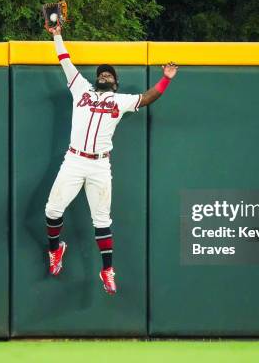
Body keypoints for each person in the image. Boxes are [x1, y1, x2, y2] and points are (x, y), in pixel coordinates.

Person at [44, 23, 178, 294]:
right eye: (101, 72)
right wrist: (57, 34)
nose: (104, 74)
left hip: (99, 165)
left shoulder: (120, 100)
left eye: (109, 73)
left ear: (115, 83)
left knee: (102, 220)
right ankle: (56, 249)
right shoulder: (80, 89)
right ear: (97, 79)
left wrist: (167, 78)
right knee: (51, 211)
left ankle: (107, 270)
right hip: (74, 160)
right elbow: (65, 61)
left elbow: (149, 97)